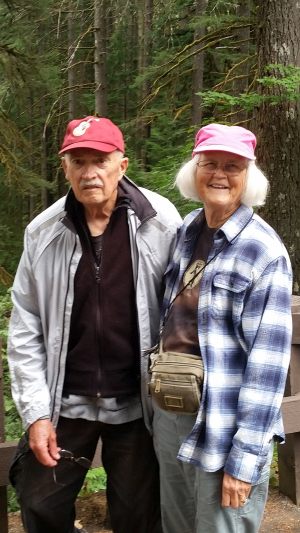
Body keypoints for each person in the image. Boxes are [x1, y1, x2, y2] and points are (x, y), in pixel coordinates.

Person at [7, 115, 182, 533]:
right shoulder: (43, 232)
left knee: (138, 515)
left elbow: (183, 308)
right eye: (78, 162)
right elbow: (25, 325)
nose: (89, 173)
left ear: (122, 165)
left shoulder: (161, 222)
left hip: (138, 402)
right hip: (65, 401)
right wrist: (35, 414)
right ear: (64, 168)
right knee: (40, 501)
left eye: (100, 161)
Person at [152, 123, 293, 533]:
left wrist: (245, 460)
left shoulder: (264, 252)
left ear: (249, 177)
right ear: (193, 171)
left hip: (226, 425)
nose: (219, 174)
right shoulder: (187, 231)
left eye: (232, 166)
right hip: (171, 412)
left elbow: (267, 368)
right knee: (176, 525)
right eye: (209, 163)